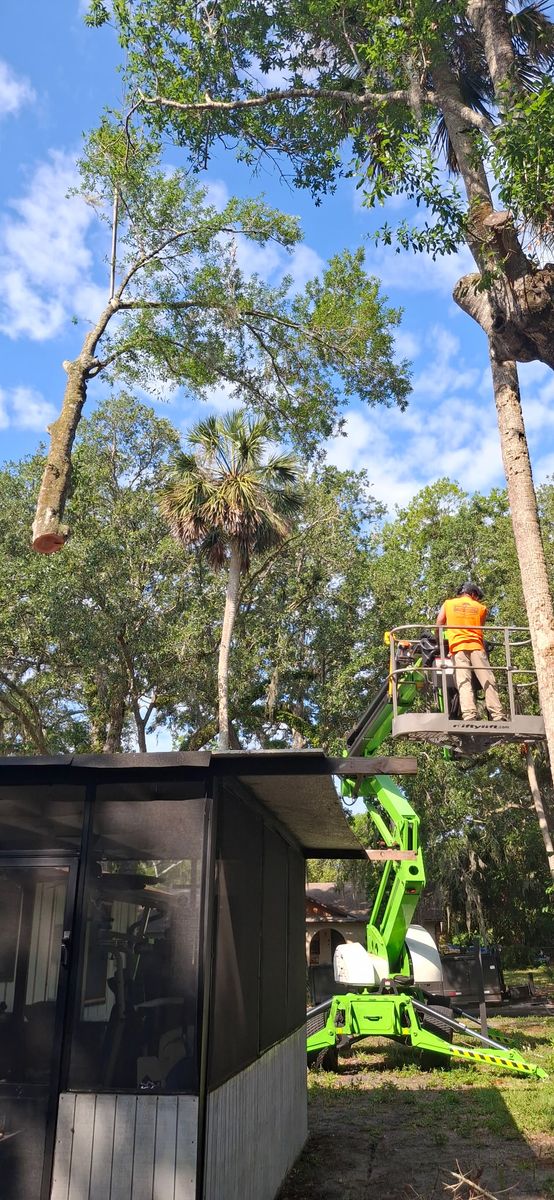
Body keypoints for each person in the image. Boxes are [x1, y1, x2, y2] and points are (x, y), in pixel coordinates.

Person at [436, 582, 506, 721]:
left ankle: (469, 715)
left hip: (458, 648)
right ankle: (498, 714)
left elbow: (439, 623)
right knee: (487, 680)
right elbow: (480, 626)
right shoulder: (481, 607)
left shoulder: (448, 604)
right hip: (477, 647)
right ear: (473, 594)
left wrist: (439, 642)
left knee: (464, 682)